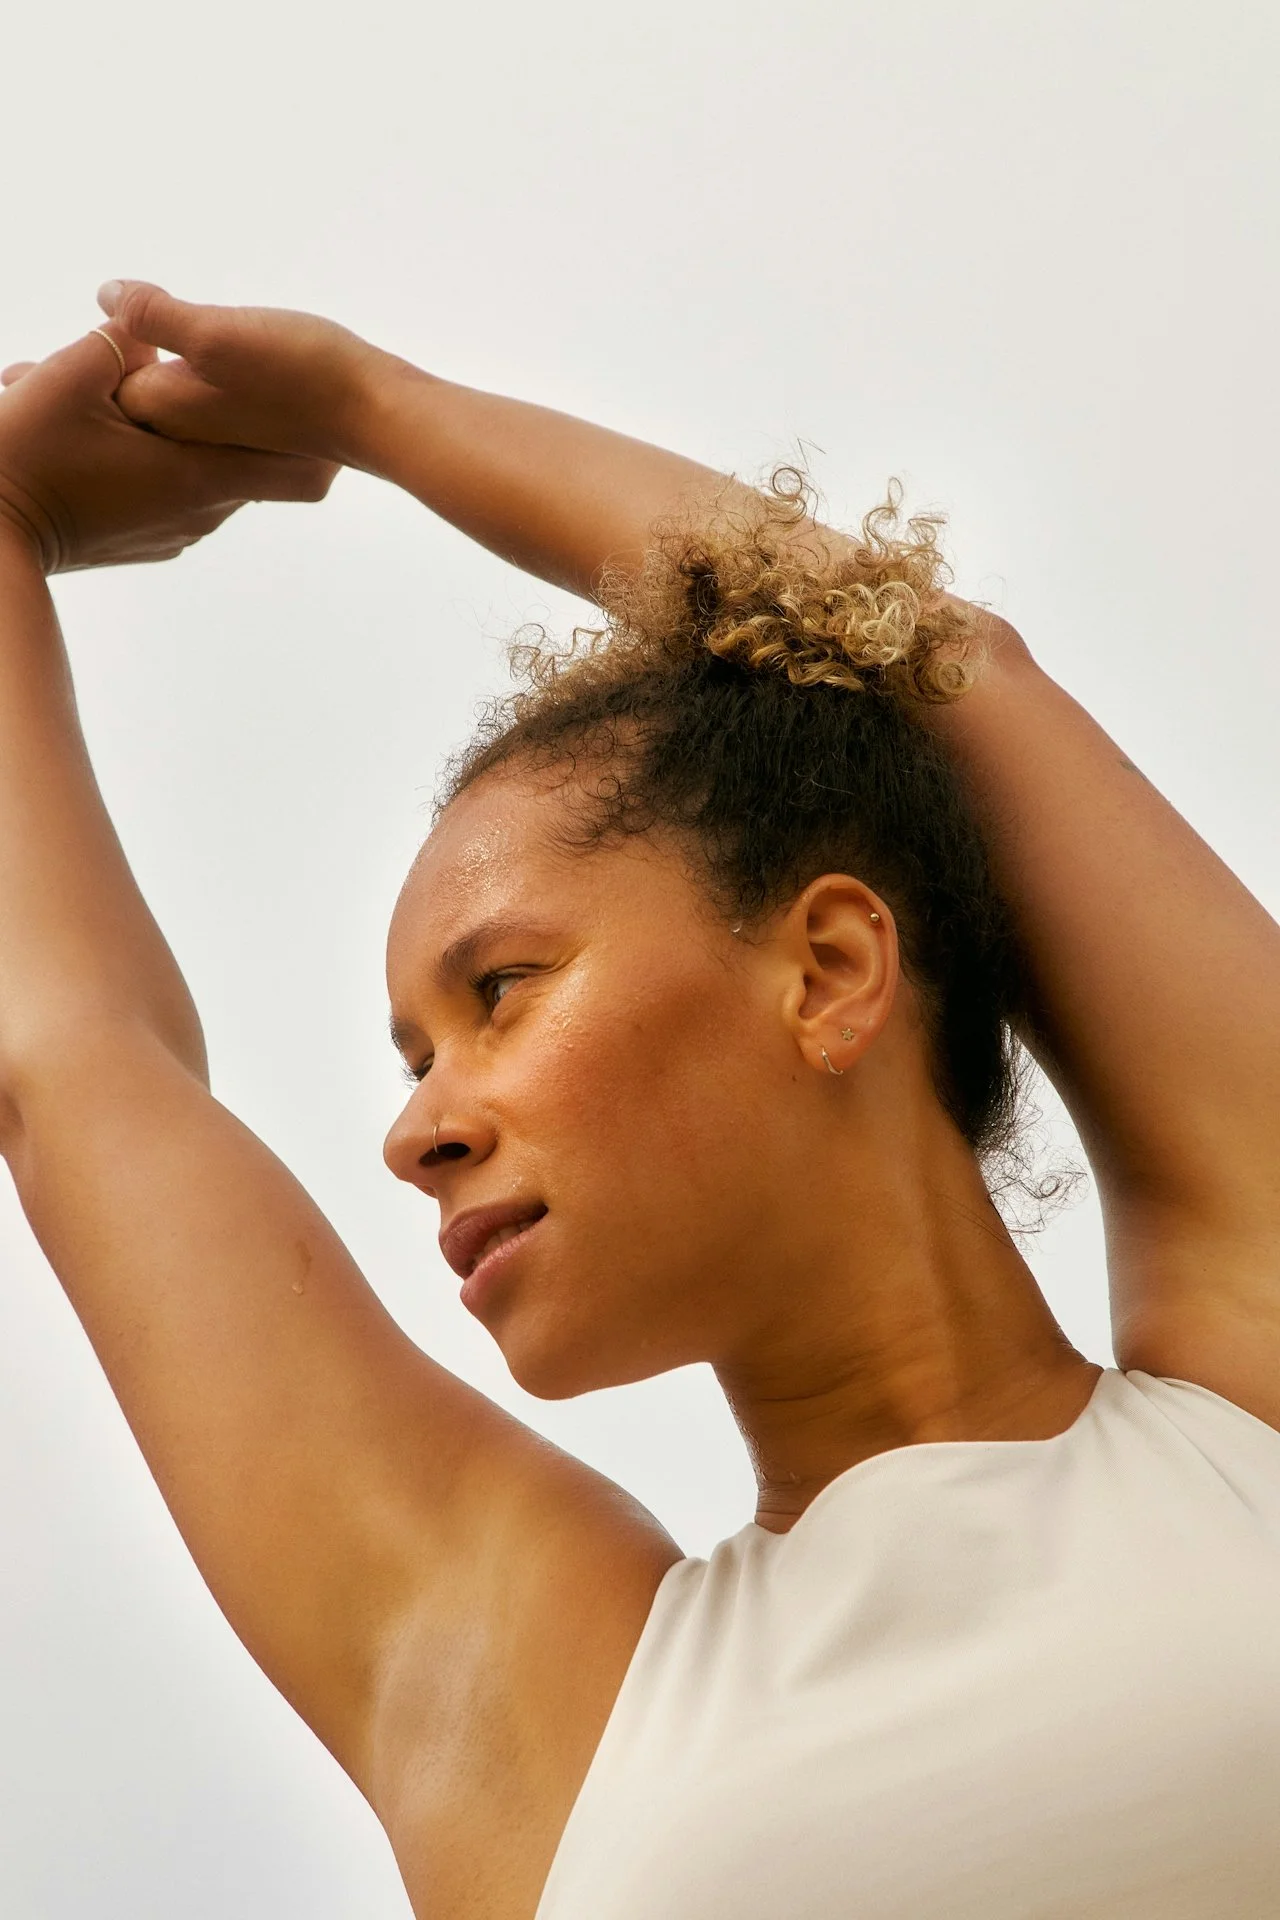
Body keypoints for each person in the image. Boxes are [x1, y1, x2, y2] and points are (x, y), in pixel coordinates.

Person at [0, 283, 1277, 1920]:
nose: (416, 1132)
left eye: (499, 992)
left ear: (826, 968)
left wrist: (372, 409)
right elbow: (70, 1068)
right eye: (414, 1059)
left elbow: (948, 675)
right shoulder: (538, 1696)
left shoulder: (1256, 1422)